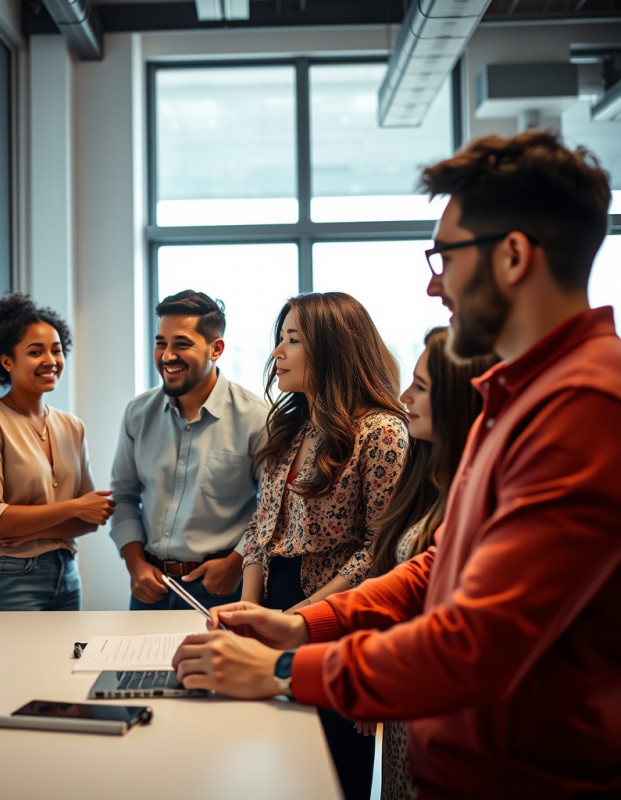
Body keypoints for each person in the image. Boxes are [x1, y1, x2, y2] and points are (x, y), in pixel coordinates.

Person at [172, 131, 621, 799]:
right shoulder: (517, 395)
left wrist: (284, 670)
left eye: (445, 257)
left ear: (513, 256)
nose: (433, 284)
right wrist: (301, 625)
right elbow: (440, 567)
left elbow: (475, 643)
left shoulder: (584, 407)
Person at [241, 291, 408, 800]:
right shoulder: (291, 426)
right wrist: (248, 610)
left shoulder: (381, 433)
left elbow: (380, 548)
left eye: (292, 340)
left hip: (337, 621)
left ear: (333, 348)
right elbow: (261, 527)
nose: (277, 352)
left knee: (334, 777)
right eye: (279, 339)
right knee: (278, 771)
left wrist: (306, 614)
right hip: (275, 608)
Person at [368, 327, 497, 800]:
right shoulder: (426, 469)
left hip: (440, 696)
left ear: (460, 400)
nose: (404, 396)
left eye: (420, 387)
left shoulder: (482, 493)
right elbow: (397, 578)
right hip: (407, 690)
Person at [109, 290, 268, 610]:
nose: (167, 356)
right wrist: (135, 565)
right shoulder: (137, 413)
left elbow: (274, 510)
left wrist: (237, 562)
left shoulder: (258, 418)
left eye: (181, 344)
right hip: (150, 587)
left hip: (223, 588)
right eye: (161, 343)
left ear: (216, 349)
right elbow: (123, 497)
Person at [0, 293, 115, 611]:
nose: (51, 360)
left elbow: (92, 518)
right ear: (7, 361)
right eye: (35, 352)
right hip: (9, 575)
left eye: (56, 350)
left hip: (67, 574)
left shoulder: (72, 426)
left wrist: (30, 529)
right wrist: (74, 507)